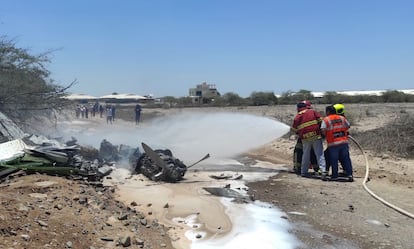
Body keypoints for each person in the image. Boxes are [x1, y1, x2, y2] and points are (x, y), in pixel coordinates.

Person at [291, 100, 327, 179]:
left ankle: (304, 172)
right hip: (316, 136)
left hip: (305, 139)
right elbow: (321, 121)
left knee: (305, 155)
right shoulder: (312, 112)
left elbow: (294, 129)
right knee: (319, 154)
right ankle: (323, 171)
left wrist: (299, 132)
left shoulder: (298, 116)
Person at [321, 105, 353, 182]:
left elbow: (323, 130)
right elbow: (348, 126)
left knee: (334, 160)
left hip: (333, 143)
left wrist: (326, 135)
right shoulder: (342, 118)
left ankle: (334, 176)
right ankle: (350, 175)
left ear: (328, 112)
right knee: (346, 159)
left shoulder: (326, 120)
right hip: (344, 142)